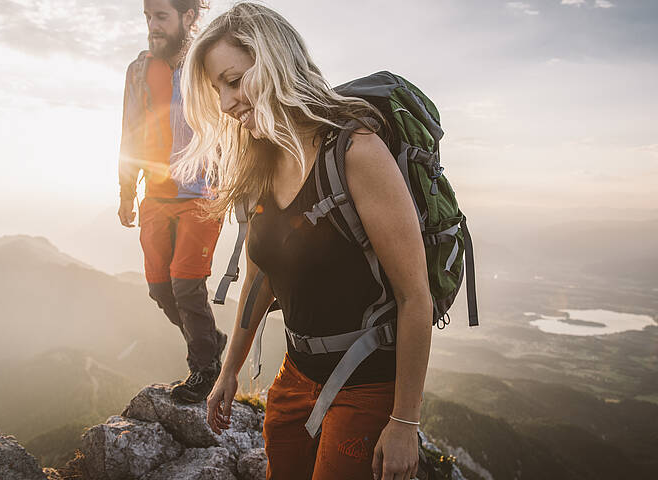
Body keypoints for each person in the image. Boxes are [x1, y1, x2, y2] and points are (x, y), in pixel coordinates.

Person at [175, 3, 433, 479]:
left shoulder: (357, 153)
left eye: (233, 81)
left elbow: (416, 296)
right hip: (295, 376)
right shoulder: (259, 164)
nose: (227, 102)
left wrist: (404, 421)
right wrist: (229, 369)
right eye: (218, 90)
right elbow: (260, 275)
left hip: (367, 384)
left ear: (275, 62)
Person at [117, 0, 227, 403]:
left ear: (189, 17)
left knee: (186, 284)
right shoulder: (139, 71)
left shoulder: (209, 64)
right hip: (156, 194)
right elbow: (130, 131)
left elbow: (237, 122)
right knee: (160, 288)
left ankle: (204, 369)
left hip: (204, 194)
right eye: (148, 18)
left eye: (160, 17)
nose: (152, 27)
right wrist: (126, 191)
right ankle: (212, 340)